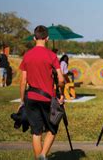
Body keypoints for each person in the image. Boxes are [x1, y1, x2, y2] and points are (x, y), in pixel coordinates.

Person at [18, 25, 65, 160]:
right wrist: (61, 91)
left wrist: (22, 101)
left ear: (34, 38)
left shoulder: (27, 55)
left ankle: (39, 157)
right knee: (52, 128)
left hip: (31, 97)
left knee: (36, 132)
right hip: (47, 99)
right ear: (47, 38)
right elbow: (61, 79)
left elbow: (23, 81)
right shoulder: (51, 55)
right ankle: (43, 155)